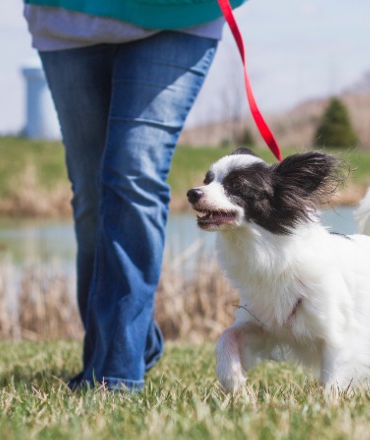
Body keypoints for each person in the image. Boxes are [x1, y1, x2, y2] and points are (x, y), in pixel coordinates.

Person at [23, 0, 246, 391]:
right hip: (68, 15)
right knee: (93, 195)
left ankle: (116, 373)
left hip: (177, 15)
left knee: (133, 175)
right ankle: (135, 338)